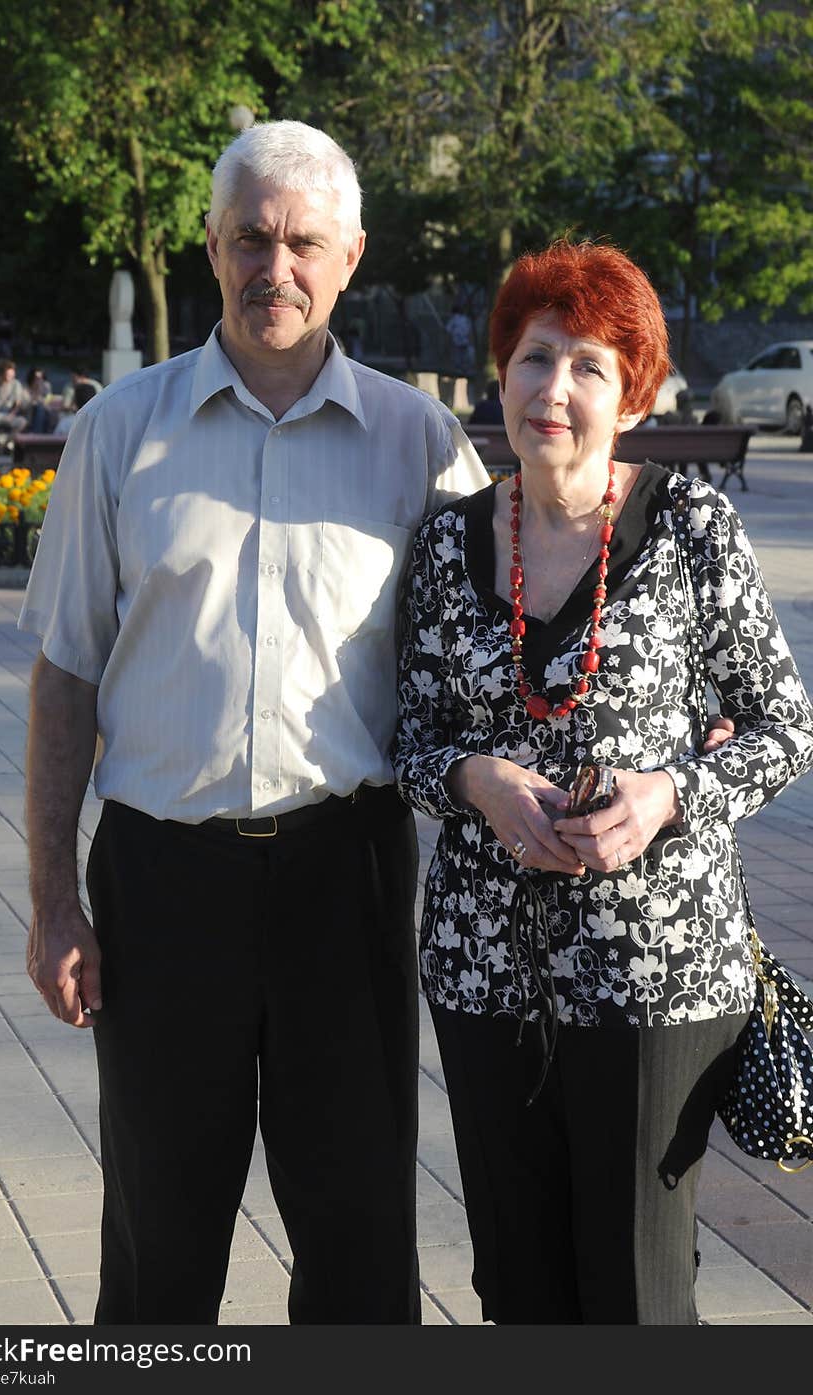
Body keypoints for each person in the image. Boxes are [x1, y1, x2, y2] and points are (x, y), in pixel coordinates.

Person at [18, 119, 490, 1326]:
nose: (272, 267)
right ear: (211, 246)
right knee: (159, 1235)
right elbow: (65, 676)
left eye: (302, 243)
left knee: (358, 1230)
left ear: (351, 259)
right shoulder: (122, 431)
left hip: (349, 874)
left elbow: (496, 653)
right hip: (162, 882)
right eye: (249, 239)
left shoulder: (419, 443)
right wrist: (54, 901)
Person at [394, 240, 813, 1325]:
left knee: (635, 1287)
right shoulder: (447, 543)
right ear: (502, 375)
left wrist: (670, 793)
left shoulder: (688, 526)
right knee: (516, 1282)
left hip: (657, 970)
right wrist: (476, 777)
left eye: (591, 366)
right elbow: (411, 739)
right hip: (483, 968)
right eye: (537, 358)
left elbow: (781, 727)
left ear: (631, 395)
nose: (557, 391)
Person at [446, 302, 475, 377]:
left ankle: (458, 369)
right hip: (465, 341)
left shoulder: (453, 319)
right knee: (464, 356)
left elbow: (448, 330)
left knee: (457, 356)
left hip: (456, 341)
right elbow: (469, 331)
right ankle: (465, 369)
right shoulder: (466, 319)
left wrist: (448, 341)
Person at [25, 367, 55, 433]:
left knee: (41, 408)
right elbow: (27, 400)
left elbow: (48, 400)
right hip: (30, 409)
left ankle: (37, 432)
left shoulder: (47, 386)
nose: (38, 380)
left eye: (40, 378)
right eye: (36, 378)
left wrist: (39, 390)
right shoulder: (27, 387)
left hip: (44, 409)